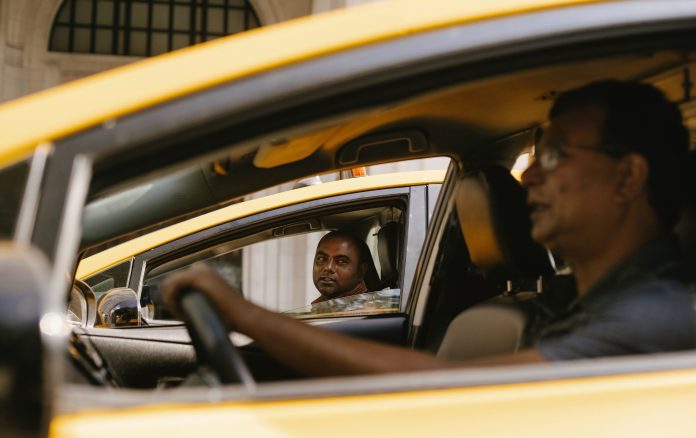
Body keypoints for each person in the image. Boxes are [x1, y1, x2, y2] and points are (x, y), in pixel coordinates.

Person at [162, 80, 694, 376]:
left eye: (554, 156)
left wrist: (243, 312)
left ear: (627, 178)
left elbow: (446, 391)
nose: (529, 176)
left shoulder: (652, 318)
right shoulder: (573, 299)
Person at [311, 230, 376, 304]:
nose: (328, 267)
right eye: (321, 259)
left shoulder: (365, 309)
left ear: (361, 271)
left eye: (341, 261)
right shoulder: (326, 305)